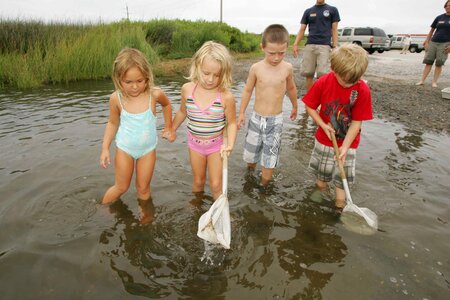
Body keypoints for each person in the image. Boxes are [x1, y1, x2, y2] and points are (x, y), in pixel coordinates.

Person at [302, 44, 372, 211]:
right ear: (333, 69)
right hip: (325, 139)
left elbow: (357, 122)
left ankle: (340, 206)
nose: (348, 85)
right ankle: (319, 191)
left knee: (343, 178)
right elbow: (310, 106)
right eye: (344, 80)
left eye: (353, 81)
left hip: (349, 142)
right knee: (322, 175)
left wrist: (345, 147)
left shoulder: (362, 90)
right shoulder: (323, 82)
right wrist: (322, 124)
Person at [100, 48, 175, 205]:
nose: (134, 87)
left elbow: (167, 105)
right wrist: (105, 147)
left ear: (147, 78)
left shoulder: (154, 94)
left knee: (143, 188)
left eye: (139, 81)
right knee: (121, 187)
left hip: (147, 150)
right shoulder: (116, 99)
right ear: (118, 79)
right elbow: (112, 123)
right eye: (128, 82)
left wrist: (169, 127)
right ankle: (103, 209)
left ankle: (145, 221)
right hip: (125, 149)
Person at [172, 41, 237, 200]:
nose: (210, 79)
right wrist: (171, 128)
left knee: (216, 185)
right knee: (198, 181)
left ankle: (220, 211)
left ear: (224, 73)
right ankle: (196, 207)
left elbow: (232, 123)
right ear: (197, 67)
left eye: (217, 75)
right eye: (206, 73)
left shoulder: (226, 97)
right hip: (195, 145)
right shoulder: (187, 89)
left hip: (216, 147)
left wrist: (230, 144)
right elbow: (182, 112)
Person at [237, 24, 298, 186]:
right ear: (262, 47)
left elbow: (291, 88)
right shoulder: (256, 68)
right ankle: (249, 180)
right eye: (272, 53)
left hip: (275, 121)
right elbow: (248, 91)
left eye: (281, 53)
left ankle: (264, 186)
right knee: (251, 156)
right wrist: (242, 113)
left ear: (287, 48)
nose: (277, 58)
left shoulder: (287, 68)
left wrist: (295, 105)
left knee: (270, 157)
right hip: (256, 119)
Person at [293, 0, 340, 91]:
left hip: (325, 46)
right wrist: (295, 44)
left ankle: (321, 99)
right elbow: (302, 29)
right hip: (310, 45)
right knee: (308, 73)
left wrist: (335, 46)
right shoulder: (308, 11)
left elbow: (334, 29)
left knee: (323, 74)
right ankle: (310, 98)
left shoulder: (332, 10)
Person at [416, 0, 450, 88]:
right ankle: (422, 80)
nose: (447, 7)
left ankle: (434, 82)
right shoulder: (439, 17)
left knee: (439, 63)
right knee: (428, 62)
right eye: (446, 5)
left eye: (449, 5)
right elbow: (432, 30)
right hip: (434, 42)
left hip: (445, 44)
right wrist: (427, 41)